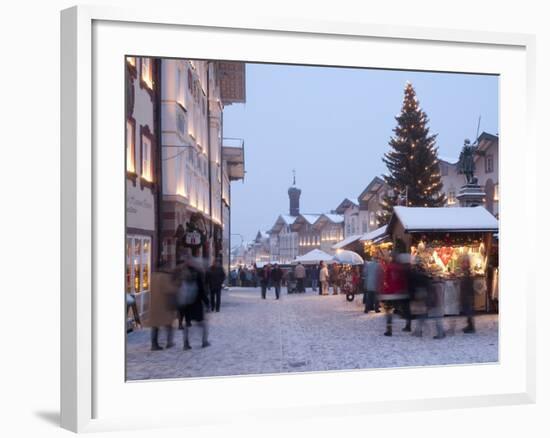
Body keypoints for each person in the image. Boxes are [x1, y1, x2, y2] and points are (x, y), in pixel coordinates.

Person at [175, 258, 211, 350]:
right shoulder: (197, 274)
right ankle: (204, 341)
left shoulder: (182, 274)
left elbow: (177, 287)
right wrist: (207, 303)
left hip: (186, 304)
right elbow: (201, 291)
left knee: (187, 324)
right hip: (196, 304)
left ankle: (186, 343)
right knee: (202, 324)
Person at [144, 261, 177, 350]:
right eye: (167, 266)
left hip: (154, 305)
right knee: (168, 325)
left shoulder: (153, 275)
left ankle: (154, 344)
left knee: (155, 326)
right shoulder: (165, 277)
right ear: (164, 267)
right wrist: (176, 287)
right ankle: (169, 342)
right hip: (164, 305)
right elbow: (170, 289)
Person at [378, 253, 410, 336]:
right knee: (405, 308)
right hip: (400, 292)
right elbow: (404, 280)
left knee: (389, 311)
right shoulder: (401, 268)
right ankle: (408, 325)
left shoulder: (389, 267)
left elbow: (386, 279)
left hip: (390, 292)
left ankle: (389, 329)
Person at [460, 255, 476, 333]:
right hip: (466, 295)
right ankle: (469, 326)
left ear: (467, 263)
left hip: (468, 295)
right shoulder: (466, 272)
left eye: (463, 263)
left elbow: (467, 284)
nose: (462, 264)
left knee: (469, 311)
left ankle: (471, 327)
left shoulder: (468, 273)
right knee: (467, 311)